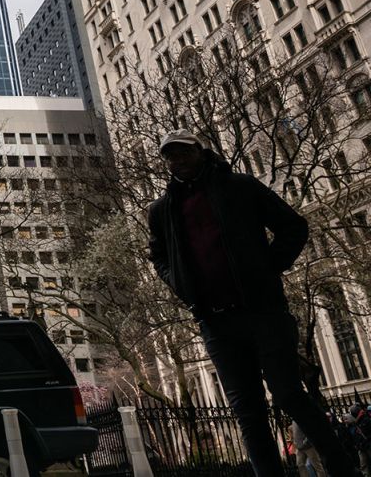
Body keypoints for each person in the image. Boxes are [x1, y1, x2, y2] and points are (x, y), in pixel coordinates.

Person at [148, 130, 358, 477]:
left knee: (289, 394)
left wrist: (268, 269)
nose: (177, 161)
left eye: (183, 152)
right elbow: (158, 255)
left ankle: (342, 468)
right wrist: (178, 284)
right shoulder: (162, 210)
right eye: (170, 156)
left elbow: (293, 226)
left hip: (262, 311)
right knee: (247, 411)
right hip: (215, 321)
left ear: (201, 152)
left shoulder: (240, 187)